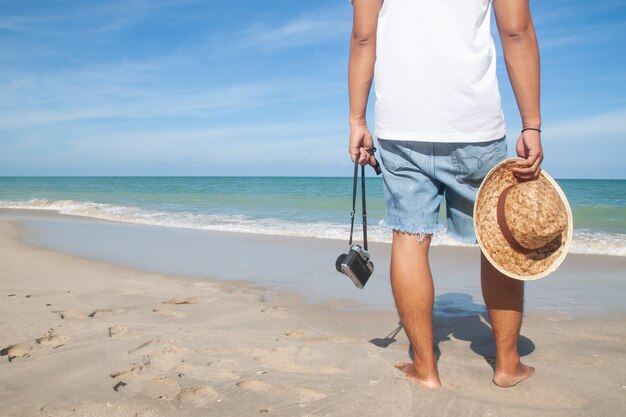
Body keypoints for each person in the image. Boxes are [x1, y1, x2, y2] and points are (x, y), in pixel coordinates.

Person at [347, 0, 543, 388]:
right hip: (475, 124)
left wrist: (356, 119)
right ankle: (507, 365)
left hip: (401, 126)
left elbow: (363, 37)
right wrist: (531, 125)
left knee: (409, 238)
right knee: (496, 241)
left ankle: (425, 368)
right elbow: (516, 31)